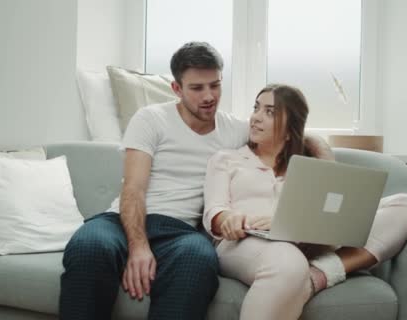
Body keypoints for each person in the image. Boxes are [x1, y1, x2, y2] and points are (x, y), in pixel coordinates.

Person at [59, 41, 331, 319]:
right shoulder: (151, 119)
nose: (209, 96)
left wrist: (324, 158)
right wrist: (138, 247)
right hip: (122, 220)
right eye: (197, 88)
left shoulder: (234, 130)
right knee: (88, 246)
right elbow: (133, 189)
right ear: (176, 89)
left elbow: (295, 133)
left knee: (199, 260)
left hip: (180, 232)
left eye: (215, 85)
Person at [203, 84, 407, 320]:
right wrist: (231, 219)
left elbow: (336, 209)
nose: (255, 117)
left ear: (290, 129)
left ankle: (321, 273)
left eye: (270, 112)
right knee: (288, 261)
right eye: (256, 108)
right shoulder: (226, 159)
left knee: (405, 205)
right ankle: (310, 274)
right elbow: (214, 211)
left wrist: (317, 150)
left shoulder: (306, 166)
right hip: (246, 241)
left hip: (306, 243)